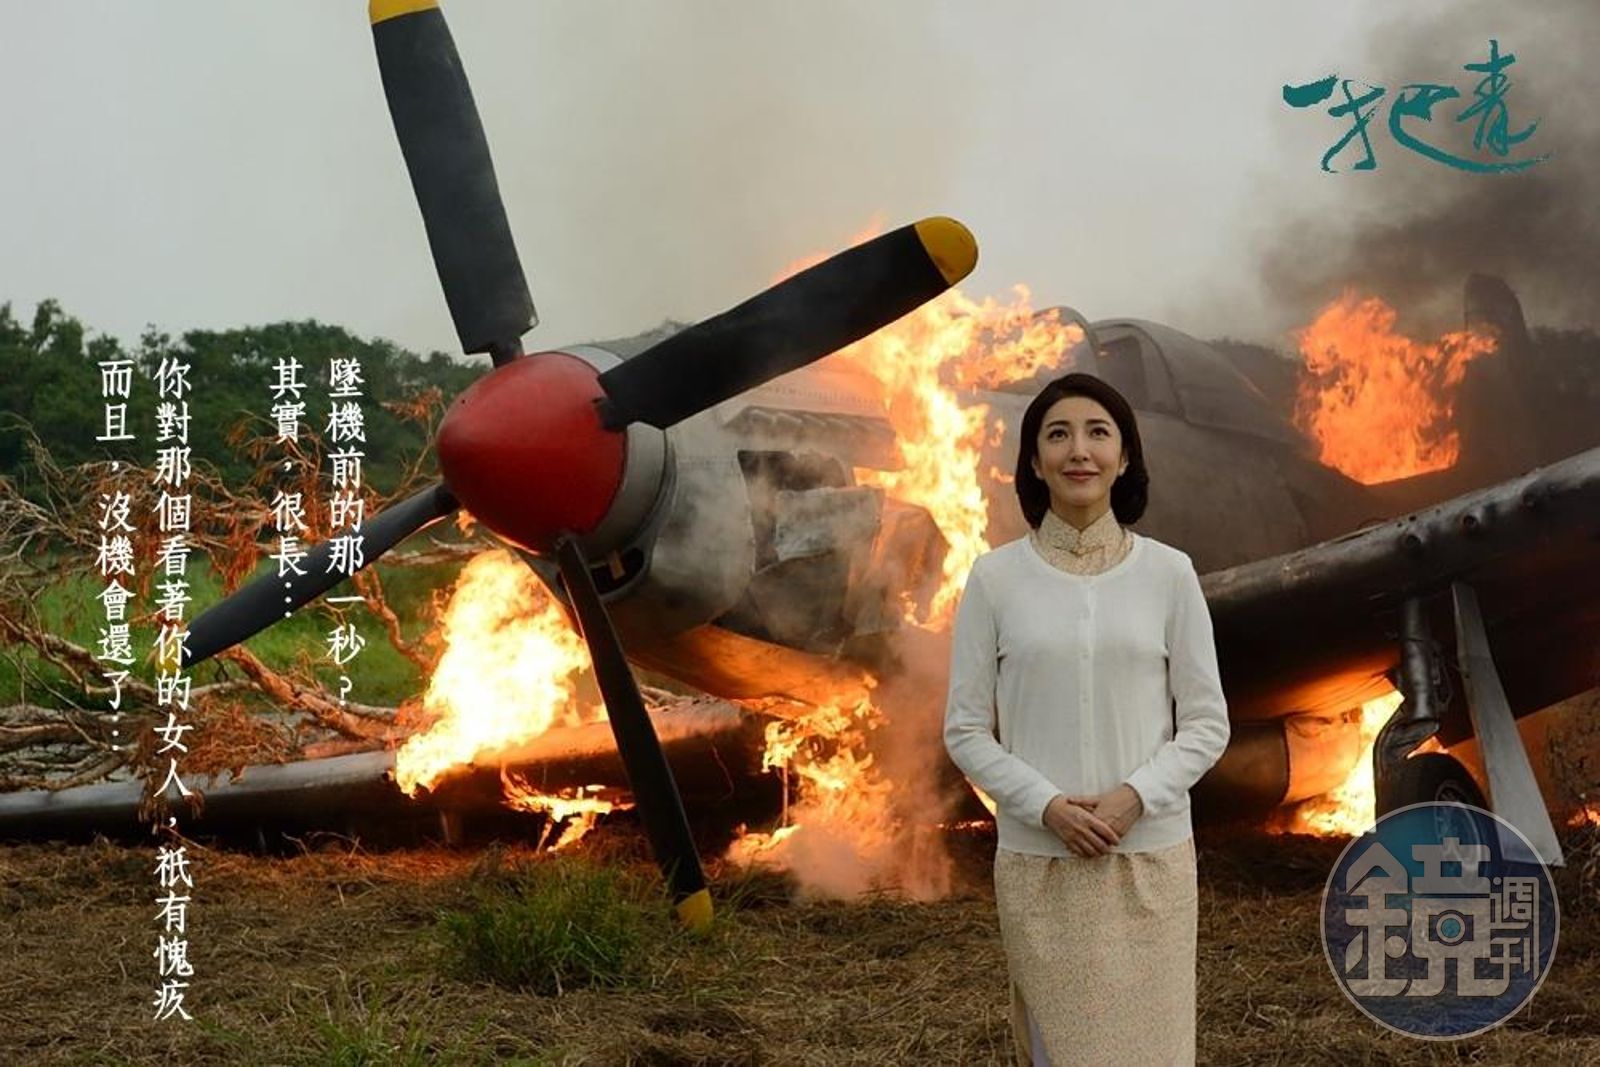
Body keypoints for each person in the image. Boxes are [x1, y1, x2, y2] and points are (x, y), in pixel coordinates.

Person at [944, 372, 1230, 1066]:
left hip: (1150, 863)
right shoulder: (994, 579)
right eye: (1058, 434)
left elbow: (1206, 722)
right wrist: (1046, 807)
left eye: (1098, 433)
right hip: (1041, 865)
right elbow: (965, 729)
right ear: (1034, 461)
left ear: (1124, 457)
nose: (1079, 450)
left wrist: (1136, 797)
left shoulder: (1170, 574)